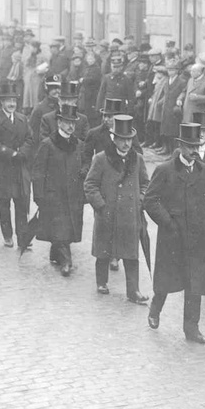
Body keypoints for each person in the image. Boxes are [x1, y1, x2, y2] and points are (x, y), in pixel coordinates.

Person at [144, 122, 205, 343]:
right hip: (172, 236)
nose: (194, 150)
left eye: (198, 145)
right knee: (166, 280)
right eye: (190, 146)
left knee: (194, 283)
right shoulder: (165, 170)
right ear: (180, 146)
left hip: (197, 237)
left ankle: (191, 328)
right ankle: (155, 310)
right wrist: (168, 222)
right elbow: (150, 201)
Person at [84, 114, 151, 301]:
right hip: (108, 212)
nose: (126, 144)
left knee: (131, 253)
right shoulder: (101, 159)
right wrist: (101, 205)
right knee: (104, 250)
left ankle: (133, 291)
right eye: (122, 140)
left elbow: (146, 183)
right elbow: (90, 185)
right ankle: (102, 281)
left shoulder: (137, 159)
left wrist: (140, 199)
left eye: (129, 140)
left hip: (130, 215)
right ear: (114, 139)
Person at [25, 100, 86, 276]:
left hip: (73, 195)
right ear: (59, 122)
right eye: (67, 122)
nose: (70, 126)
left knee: (67, 228)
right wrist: (39, 195)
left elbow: (84, 165)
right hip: (54, 195)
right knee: (60, 228)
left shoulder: (79, 145)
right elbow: (38, 172)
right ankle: (66, 261)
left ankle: (56, 253)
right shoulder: (48, 144)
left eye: (73, 123)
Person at [0, 87, 31, 248]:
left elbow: (29, 138)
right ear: (1, 102)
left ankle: (23, 236)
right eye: (8, 101)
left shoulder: (22, 119)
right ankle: (7, 236)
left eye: (14, 101)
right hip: (2, 169)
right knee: (4, 204)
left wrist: (23, 153)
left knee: (21, 203)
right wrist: (12, 154)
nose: (12, 104)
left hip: (19, 168)